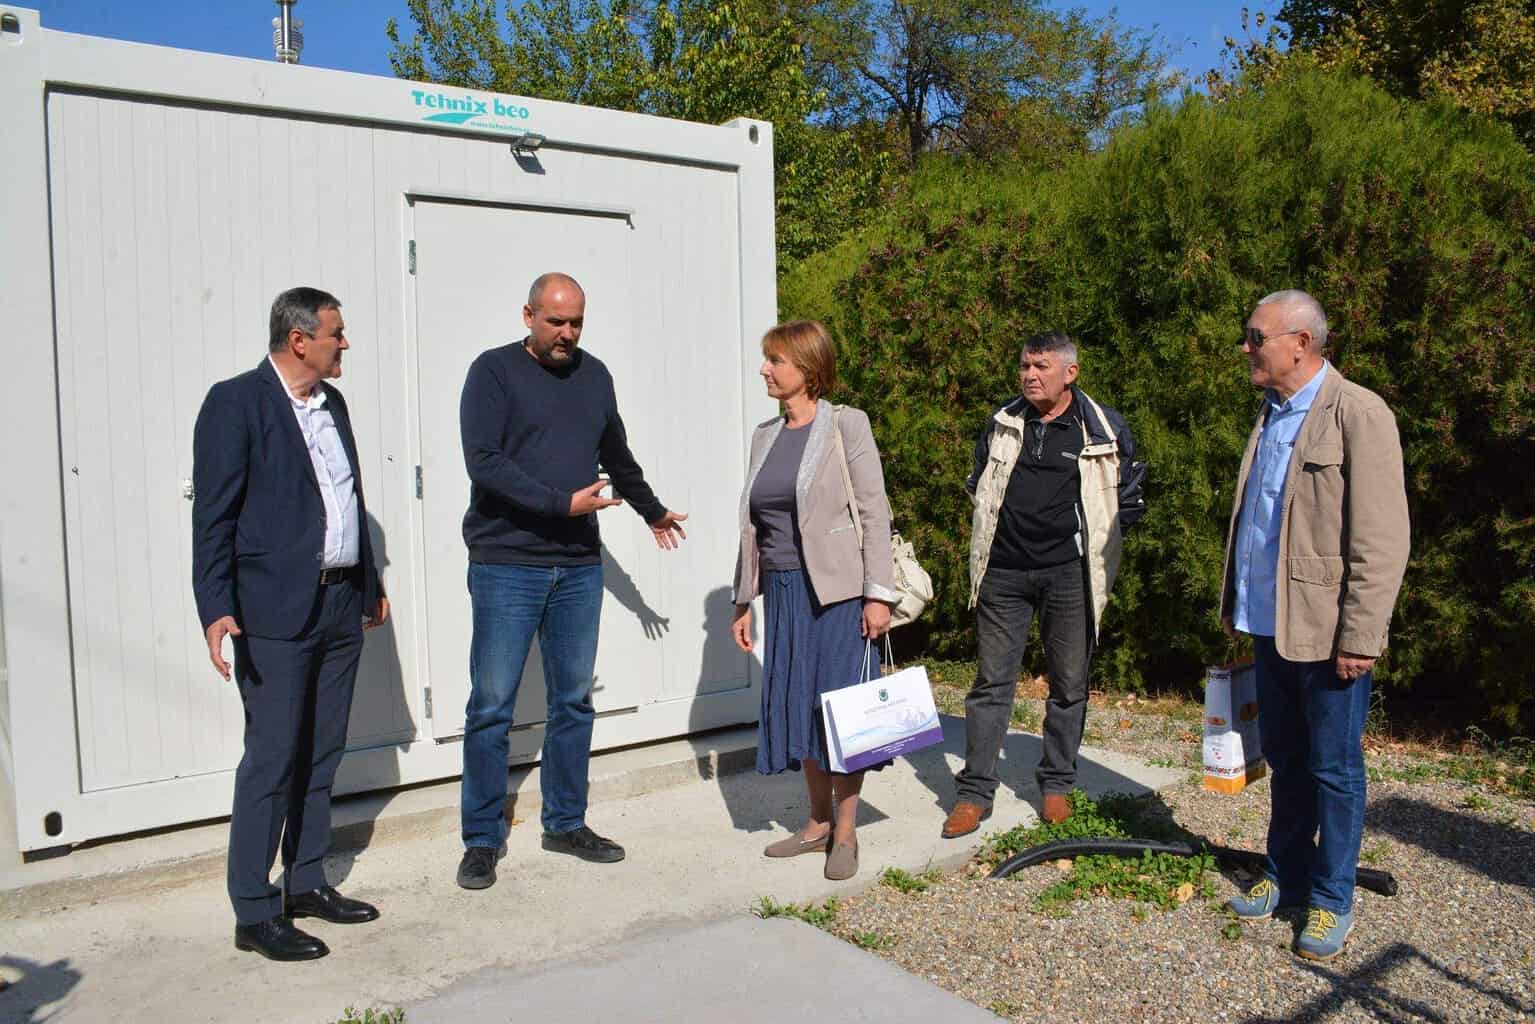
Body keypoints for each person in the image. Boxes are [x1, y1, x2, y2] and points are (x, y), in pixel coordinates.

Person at [455, 272, 688, 890]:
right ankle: (481, 838)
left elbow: (617, 455)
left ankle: (565, 822)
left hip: (578, 567)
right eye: (555, 321)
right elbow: (484, 463)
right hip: (507, 564)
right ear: (528, 315)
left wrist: (652, 510)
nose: (566, 333)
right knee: (491, 706)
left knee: (573, 701)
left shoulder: (595, 376)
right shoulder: (492, 372)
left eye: (576, 322)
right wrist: (561, 505)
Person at [192, 287, 389, 962]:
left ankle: (305, 881)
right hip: (273, 612)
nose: (346, 343)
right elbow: (213, 517)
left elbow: (346, 499)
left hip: (339, 604)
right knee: (273, 760)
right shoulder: (235, 403)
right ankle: (254, 911)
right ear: (299, 339)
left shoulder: (333, 404)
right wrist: (215, 606)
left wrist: (370, 581)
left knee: (322, 752)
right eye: (337, 333)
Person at [1221, 290, 1410, 961]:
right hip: (1270, 625)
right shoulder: (1271, 414)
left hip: (1328, 634)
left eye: (1255, 337)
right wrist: (1239, 602)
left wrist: (1361, 635)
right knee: (1286, 759)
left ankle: (1331, 899)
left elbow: (1381, 539)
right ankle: (1286, 876)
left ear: (1299, 343)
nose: (1245, 348)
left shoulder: (1359, 413)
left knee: (1334, 769)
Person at [943, 332, 1146, 839]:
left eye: (1041, 367)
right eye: (1025, 366)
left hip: (1070, 575)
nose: (1030, 375)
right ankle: (974, 793)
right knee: (991, 684)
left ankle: (1056, 784)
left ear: (1070, 373)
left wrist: (1089, 543)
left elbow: (1129, 499)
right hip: (1003, 574)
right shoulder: (1003, 422)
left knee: (1069, 684)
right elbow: (978, 485)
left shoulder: (1103, 429)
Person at [731, 320, 899, 881]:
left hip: (838, 593)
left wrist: (878, 596)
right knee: (800, 703)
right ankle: (817, 822)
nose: (764, 369)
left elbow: (873, 512)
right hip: (783, 592)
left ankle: (846, 832)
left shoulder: (847, 425)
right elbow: (752, 526)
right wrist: (742, 599)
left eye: (775, 360)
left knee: (841, 711)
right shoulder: (764, 435)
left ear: (808, 368)